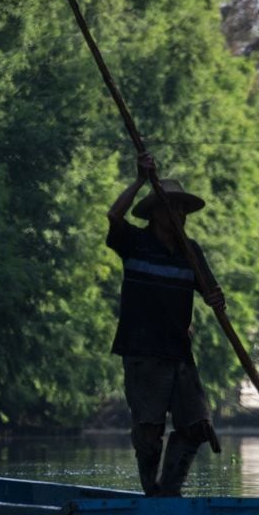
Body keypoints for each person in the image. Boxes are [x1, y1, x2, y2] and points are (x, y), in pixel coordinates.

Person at [107, 154, 225, 496]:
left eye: (182, 209)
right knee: (149, 432)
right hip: (143, 351)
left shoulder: (190, 251)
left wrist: (217, 300)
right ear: (156, 213)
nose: (179, 215)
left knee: (196, 426)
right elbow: (114, 216)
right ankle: (151, 493)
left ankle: (168, 491)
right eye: (171, 207)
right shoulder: (135, 243)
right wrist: (141, 181)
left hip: (179, 353)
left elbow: (210, 292)